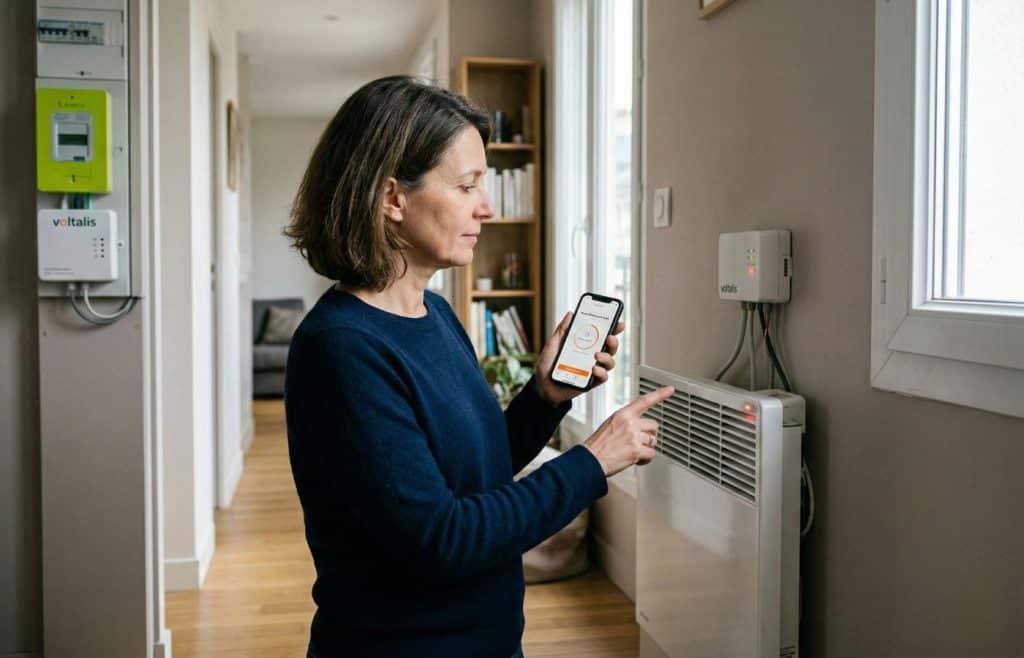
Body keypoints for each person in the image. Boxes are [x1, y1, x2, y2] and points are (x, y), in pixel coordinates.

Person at [283, 76, 674, 658]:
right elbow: (441, 538)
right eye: (468, 185)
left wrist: (544, 397)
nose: (486, 207)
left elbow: (476, 472)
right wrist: (592, 461)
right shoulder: (340, 350)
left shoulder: (434, 313)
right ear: (392, 198)